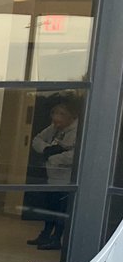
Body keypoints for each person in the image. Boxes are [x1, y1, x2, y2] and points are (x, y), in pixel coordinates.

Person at [26, 99, 79, 250]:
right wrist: (46, 149)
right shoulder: (55, 127)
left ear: (70, 117)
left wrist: (52, 157)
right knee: (50, 207)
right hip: (52, 176)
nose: (56, 123)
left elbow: (75, 155)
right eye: (54, 119)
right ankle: (45, 235)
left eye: (60, 120)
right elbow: (37, 140)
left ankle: (56, 238)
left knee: (60, 210)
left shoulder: (78, 131)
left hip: (67, 178)